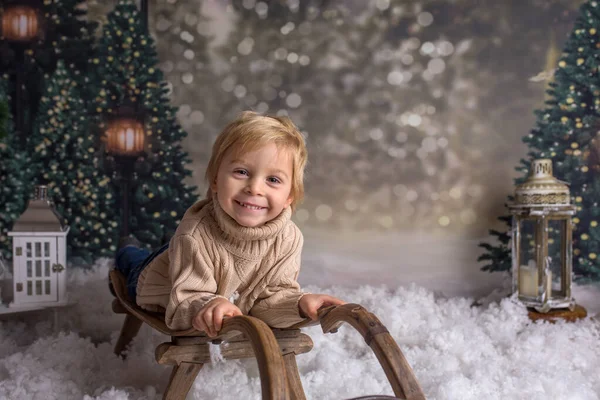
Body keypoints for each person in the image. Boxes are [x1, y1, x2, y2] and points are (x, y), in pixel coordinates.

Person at [114, 111, 345, 337]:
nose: (254, 188)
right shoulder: (196, 234)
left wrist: (301, 303)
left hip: (190, 252)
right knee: (136, 264)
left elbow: (271, 299)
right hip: (158, 279)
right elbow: (185, 301)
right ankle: (128, 248)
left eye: (273, 180)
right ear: (215, 180)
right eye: (241, 172)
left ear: (289, 197)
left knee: (177, 247)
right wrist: (208, 306)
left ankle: (169, 243)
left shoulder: (288, 239)